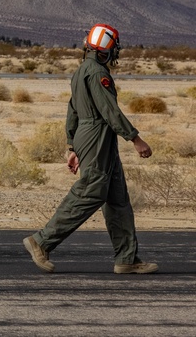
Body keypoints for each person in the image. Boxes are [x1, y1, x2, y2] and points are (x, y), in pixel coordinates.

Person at [23, 23, 158, 274]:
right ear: (108, 48)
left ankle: (126, 259)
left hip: (94, 137)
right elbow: (110, 111)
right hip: (97, 135)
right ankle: (41, 241)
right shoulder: (98, 73)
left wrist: (72, 145)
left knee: (117, 199)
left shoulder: (82, 70)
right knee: (90, 192)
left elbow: (72, 109)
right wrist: (135, 139)